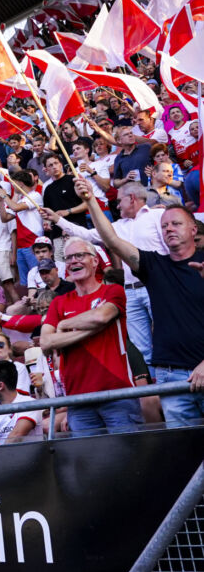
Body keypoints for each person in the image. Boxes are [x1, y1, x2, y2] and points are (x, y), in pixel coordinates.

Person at [78, 178, 204, 427]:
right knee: (183, 451)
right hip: (171, 377)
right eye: (165, 225)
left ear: (193, 230)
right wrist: (91, 201)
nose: (168, 229)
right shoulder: (154, 265)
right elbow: (113, 241)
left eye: (176, 224)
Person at [44, 179, 166, 367]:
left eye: (119, 200)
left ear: (132, 198)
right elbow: (85, 235)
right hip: (131, 291)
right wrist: (57, 219)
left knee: (165, 338)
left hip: (157, 285)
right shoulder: (116, 227)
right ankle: (153, 391)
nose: (116, 205)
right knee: (142, 349)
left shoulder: (158, 216)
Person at [40, 236, 141, 433]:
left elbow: (101, 317)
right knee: (90, 462)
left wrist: (64, 325)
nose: (73, 261)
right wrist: (90, 330)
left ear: (95, 261)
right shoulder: (59, 303)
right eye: (69, 258)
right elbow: (45, 342)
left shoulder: (113, 291)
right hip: (78, 399)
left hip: (117, 393)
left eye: (80, 255)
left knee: (129, 459)